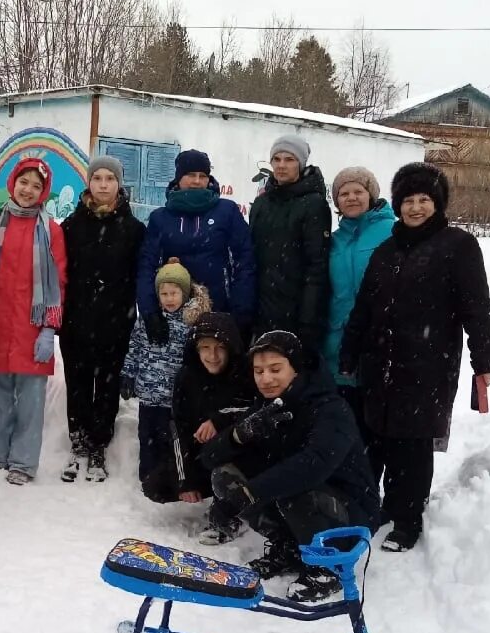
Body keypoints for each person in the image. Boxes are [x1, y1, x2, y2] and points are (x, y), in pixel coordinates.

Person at [339, 162, 490, 552]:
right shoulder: (385, 251)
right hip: (380, 362)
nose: (415, 208)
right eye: (408, 200)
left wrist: (485, 358)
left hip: (428, 363)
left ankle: (407, 519)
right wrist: (349, 350)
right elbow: (364, 308)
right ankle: (383, 509)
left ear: (437, 203)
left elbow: (475, 307)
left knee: (411, 445)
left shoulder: (457, 245)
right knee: (377, 438)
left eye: (424, 200)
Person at [198, 329, 381, 604]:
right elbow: (210, 458)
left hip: (350, 514)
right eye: (258, 371)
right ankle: (289, 547)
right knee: (225, 475)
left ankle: (327, 566)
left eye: (275, 369)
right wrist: (240, 434)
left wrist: (249, 494)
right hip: (302, 500)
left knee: (294, 489)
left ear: (296, 369)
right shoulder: (268, 407)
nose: (266, 379)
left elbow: (313, 465)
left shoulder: (330, 408)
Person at [0, 156, 68, 484]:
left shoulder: (51, 231)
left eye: (36, 186)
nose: (28, 190)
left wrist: (48, 327)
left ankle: (23, 464)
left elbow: (59, 280)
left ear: (44, 192)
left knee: (30, 400)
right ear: (13, 183)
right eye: (24, 183)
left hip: (31, 326)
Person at [58, 153, 146, 482]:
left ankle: (99, 444)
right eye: (98, 179)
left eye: (110, 179)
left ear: (119, 185)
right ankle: (78, 442)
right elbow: (60, 273)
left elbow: (139, 276)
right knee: (78, 384)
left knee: (106, 387)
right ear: (89, 183)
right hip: (76, 321)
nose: (103, 185)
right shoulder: (71, 226)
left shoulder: (135, 230)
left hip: (115, 322)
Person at [135, 149, 256, 343]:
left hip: (219, 312)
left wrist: (242, 312)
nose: (197, 181)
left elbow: (244, 262)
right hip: (173, 315)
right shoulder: (161, 218)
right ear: (178, 178)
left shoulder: (226, 211)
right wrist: (150, 312)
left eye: (203, 176)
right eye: (190, 175)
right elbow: (147, 265)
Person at [122, 260, 207, 497]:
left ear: (185, 293)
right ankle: (146, 478)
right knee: (147, 437)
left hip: (174, 398)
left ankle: (168, 480)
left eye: (174, 293)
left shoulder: (191, 323)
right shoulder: (148, 320)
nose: (169, 298)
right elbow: (135, 346)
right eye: (164, 293)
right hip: (148, 394)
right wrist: (128, 374)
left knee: (170, 440)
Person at [247, 134, 333, 368]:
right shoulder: (263, 203)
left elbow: (317, 267)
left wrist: (308, 320)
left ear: (301, 163)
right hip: (261, 308)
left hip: (294, 311)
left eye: (289, 159)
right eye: (276, 159)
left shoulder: (313, 204)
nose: (282, 165)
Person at [320, 166, 396, 427]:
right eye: (343, 193)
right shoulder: (335, 240)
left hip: (379, 340)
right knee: (344, 425)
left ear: (371, 194)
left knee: (375, 423)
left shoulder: (393, 232)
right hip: (338, 341)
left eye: (358, 191)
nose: (351, 198)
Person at [151, 311, 251, 504]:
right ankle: (213, 488)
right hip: (203, 454)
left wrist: (219, 421)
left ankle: (234, 502)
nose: (212, 355)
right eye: (205, 347)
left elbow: (254, 410)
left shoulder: (245, 373)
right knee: (157, 485)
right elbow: (177, 428)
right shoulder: (187, 376)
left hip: (239, 451)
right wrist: (185, 480)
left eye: (220, 347)